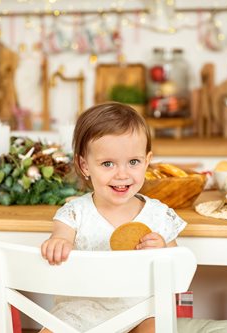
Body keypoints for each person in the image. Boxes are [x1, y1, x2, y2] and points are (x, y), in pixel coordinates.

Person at [40, 102, 187, 333]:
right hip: (80, 314)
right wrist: (58, 244)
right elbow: (60, 236)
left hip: (140, 312)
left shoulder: (159, 215)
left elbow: (179, 272)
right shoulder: (75, 212)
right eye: (108, 163)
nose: (122, 174)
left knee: (158, 325)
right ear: (84, 165)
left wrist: (163, 251)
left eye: (133, 162)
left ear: (147, 161)